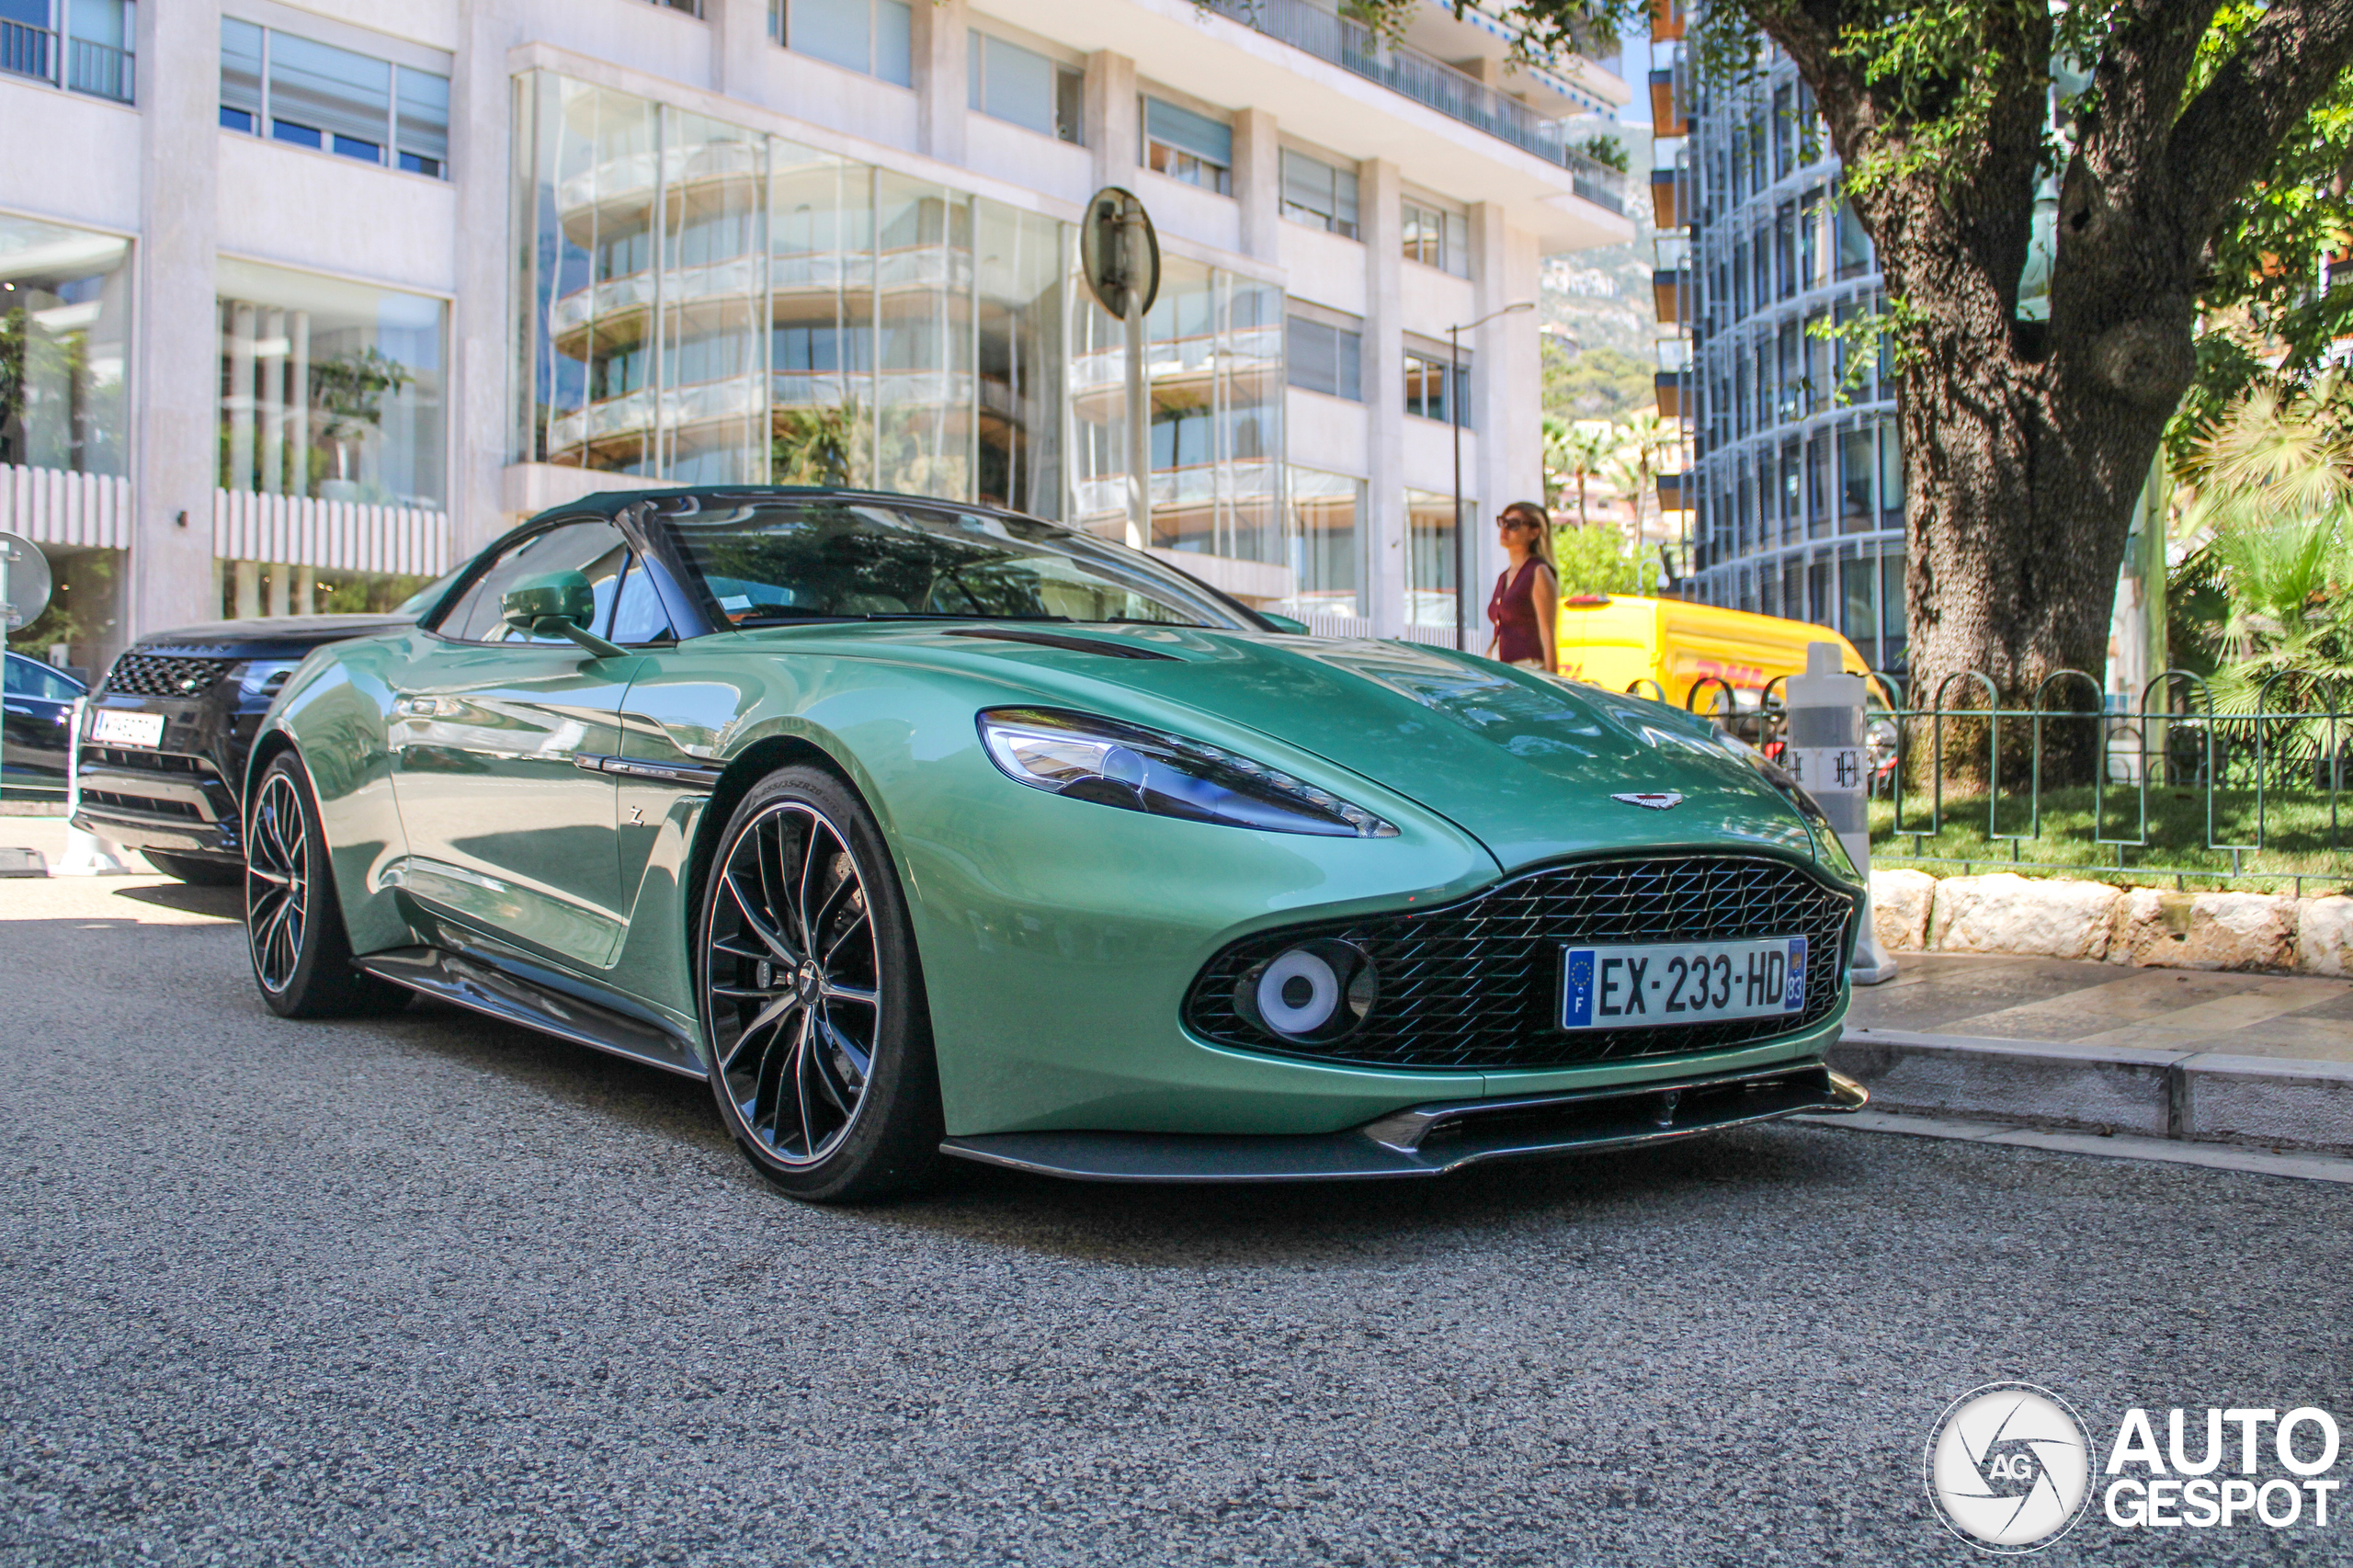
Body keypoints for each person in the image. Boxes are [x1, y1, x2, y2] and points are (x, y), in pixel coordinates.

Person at [1485, 500, 1559, 674]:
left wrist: (1552, 687)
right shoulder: (1504, 576)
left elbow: (1547, 635)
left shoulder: (1538, 571)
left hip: (1529, 670)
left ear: (1534, 532)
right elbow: (1501, 629)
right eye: (1503, 522)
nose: (1504, 529)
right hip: (1501, 670)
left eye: (1514, 525)